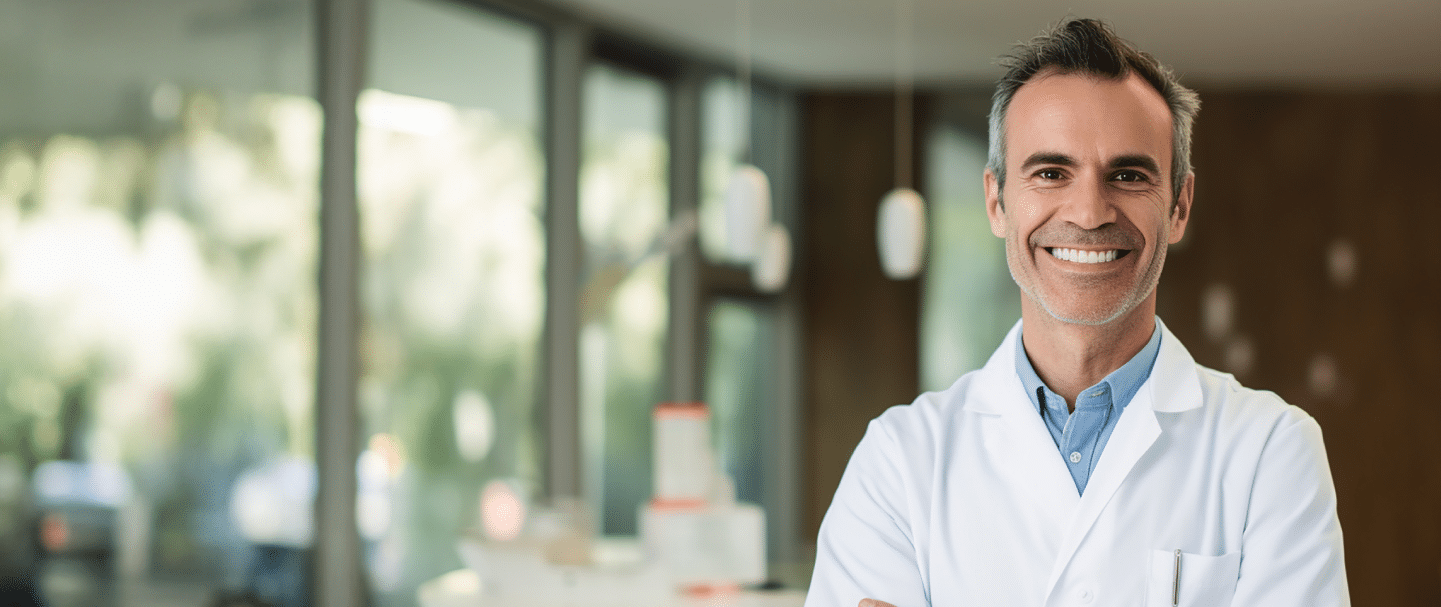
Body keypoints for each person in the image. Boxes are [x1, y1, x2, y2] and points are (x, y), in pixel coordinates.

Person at [804, 18, 1348, 607]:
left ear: (1180, 205)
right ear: (996, 201)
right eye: (1050, 172)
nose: (1089, 212)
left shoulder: (1270, 450)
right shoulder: (900, 461)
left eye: (1128, 175)